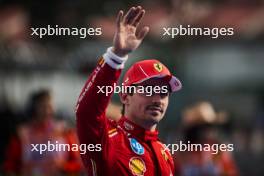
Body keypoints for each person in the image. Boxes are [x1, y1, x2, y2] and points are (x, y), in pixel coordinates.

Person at [75, 6, 182, 176]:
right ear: (125, 96)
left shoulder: (165, 153)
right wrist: (116, 57)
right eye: (148, 90)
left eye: (163, 92)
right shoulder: (108, 140)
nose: (157, 99)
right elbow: (87, 112)